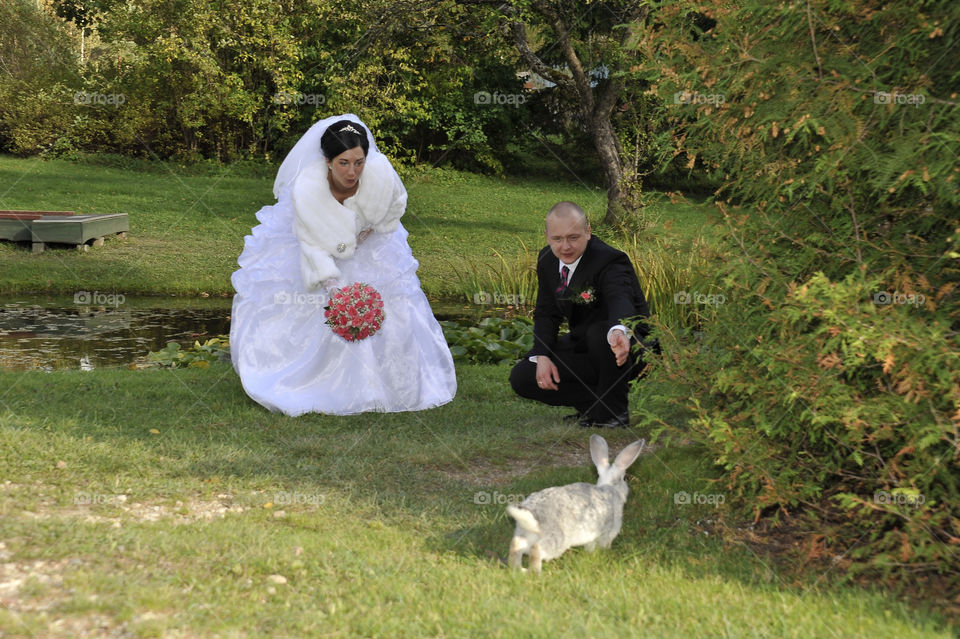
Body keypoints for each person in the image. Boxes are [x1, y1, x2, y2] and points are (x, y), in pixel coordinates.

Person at [230, 114, 457, 416]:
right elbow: (311, 245)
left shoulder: (380, 178)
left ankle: (386, 385)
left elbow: (396, 203)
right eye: (344, 163)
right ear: (327, 161)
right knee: (320, 304)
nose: (353, 172)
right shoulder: (307, 191)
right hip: (319, 253)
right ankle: (321, 384)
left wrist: (370, 229)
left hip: (371, 245)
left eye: (359, 162)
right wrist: (334, 288)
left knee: (393, 303)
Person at [509, 201, 649, 428]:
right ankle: (595, 406)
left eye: (573, 237)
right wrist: (542, 355)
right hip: (584, 345)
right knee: (524, 375)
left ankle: (614, 414)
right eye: (557, 239)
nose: (565, 247)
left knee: (600, 333)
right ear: (547, 236)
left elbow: (620, 299)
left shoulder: (610, 260)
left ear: (588, 232)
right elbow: (547, 313)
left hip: (630, 346)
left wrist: (619, 330)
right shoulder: (547, 259)